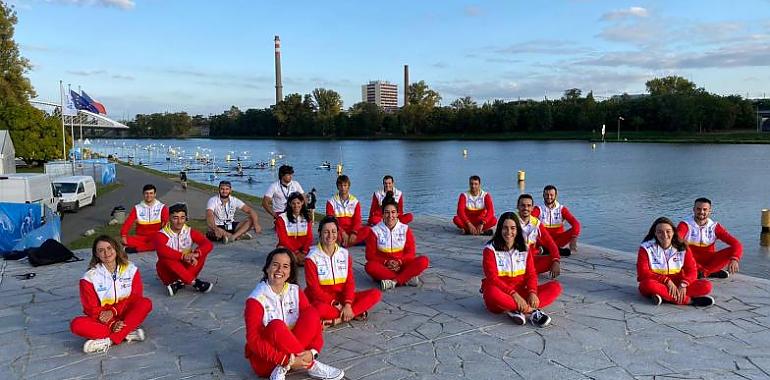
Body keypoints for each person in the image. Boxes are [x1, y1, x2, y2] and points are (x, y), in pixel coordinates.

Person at [244, 248, 344, 380]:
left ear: (290, 272)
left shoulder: (295, 291)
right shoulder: (255, 300)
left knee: (312, 313)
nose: (280, 270)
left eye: (285, 266)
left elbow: (315, 326)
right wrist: (285, 360)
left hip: (294, 351)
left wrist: (313, 351)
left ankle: (302, 362)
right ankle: (311, 366)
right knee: (276, 326)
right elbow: (254, 341)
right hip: (266, 361)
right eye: (275, 265)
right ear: (267, 268)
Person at [70, 235, 153, 353]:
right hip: (103, 321)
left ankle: (110, 340)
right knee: (76, 325)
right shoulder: (89, 278)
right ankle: (127, 333)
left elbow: (135, 297)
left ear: (116, 249)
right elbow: (91, 309)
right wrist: (112, 323)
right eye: (101, 250)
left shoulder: (131, 269)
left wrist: (114, 311)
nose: (106, 253)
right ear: (96, 254)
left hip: (126, 315)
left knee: (145, 303)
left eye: (109, 248)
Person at [481, 212, 561, 327]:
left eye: (512, 228)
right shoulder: (490, 250)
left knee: (555, 287)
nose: (509, 232)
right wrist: (514, 295)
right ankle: (532, 311)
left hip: (520, 292)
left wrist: (532, 292)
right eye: (505, 228)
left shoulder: (524, 248)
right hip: (501, 292)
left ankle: (515, 309)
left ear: (517, 230)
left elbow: (531, 274)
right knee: (491, 292)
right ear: (499, 229)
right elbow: (492, 278)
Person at [305, 216, 381, 327]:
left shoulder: (344, 254)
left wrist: (348, 304)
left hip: (342, 299)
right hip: (323, 301)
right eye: (326, 232)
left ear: (338, 233)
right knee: (317, 309)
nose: (330, 236)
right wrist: (336, 304)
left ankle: (337, 320)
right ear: (320, 233)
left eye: (333, 231)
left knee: (375, 294)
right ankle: (353, 313)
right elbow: (314, 290)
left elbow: (349, 283)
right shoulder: (311, 258)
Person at [637, 217, 715, 307]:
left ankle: (664, 297)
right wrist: (666, 281)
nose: (665, 235)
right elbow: (643, 273)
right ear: (655, 233)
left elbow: (692, 270)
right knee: (647, 285)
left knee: (706, 286)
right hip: (656, 282)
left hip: (678, 283)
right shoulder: (645, 248)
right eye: (660, 232)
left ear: (673, 232)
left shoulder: (682, 247)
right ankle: (689, 301)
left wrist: (684, 284)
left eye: (668, 231)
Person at [365, 193, 430, 291]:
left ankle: (394, 282)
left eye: (393, 212)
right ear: (382, 214)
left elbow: (410, 253)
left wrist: (399, 262)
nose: (390, 216)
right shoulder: (375, 230)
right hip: (384, 266)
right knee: (369, 266)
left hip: (402, 264)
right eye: (387, 212)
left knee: (424, 261)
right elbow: (370, 255)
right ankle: (406, 278)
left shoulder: (405, 229)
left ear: (397, 214)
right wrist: (386, 262)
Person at [155, 204, 215, 296]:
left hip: (187, 269)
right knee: (165, 257)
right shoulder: (161, 234)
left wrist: (195, 254)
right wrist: (183, 256)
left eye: (182, 218)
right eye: (175, 218)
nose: (179, 222)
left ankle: (179, 283)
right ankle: (195, 283)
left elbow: (208, 244)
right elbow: (162, 250)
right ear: (169, 218)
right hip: (169, 273)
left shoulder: (189, 231)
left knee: (202, 253)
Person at [677, 198, 743, 279]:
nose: (701, 212)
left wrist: (735, 259)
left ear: (710, 211)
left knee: (732, 250)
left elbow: (736, 244)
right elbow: (676, 241)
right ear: (693, 209)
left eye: (705, 209)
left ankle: (704, 273)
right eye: (698, 209)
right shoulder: (685, 225)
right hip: (691, 261)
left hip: (709, 262)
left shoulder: (714, 227)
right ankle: (708, 272)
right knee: (677, 248)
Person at [516, 194, 561, 278]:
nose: (526, 208)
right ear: (517, 207)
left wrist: (556, 260)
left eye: (529, 205)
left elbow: (550, 242)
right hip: (514, 260)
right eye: (522, 205)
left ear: (532, 208)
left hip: (530, 260)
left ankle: (526, 273)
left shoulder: (536, 223)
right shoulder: (510, 220)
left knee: (553, 260)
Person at [532, 185, 581, 255]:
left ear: (556, 195)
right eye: (547, 195)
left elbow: (576, 223)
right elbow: (528, 220)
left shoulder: (561, 209)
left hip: (559, 240)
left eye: (551, 195)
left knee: (575, 228)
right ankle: (557, 251)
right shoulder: (538, 209)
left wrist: (574, 238)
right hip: (544, 240)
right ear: (543, 195)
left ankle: (546, 250)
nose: (549, 197)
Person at [120, 184, 169, 253]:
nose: (149, 196)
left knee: (162, 241)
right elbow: (128, 222)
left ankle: (136, 249)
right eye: (146, 193)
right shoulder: (137, 208)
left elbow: (166, 224)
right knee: (126, 240)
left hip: (156, 236)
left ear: (155, 194)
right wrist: (123, 235)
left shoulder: (162, 207)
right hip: (141, 237)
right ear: (143, 194)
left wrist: (164, 236)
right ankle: (149, 246)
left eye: (151, 193)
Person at [326, 175, 368, 247]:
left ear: (348, 186)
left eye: (345, 185)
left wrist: (354, 233)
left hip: (351, 231)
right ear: (337, 186)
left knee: (368, 230)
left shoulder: (355, 201)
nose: (343, 188)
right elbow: (331, 221)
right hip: (338, 230)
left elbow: (358, 220)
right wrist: (342, 232)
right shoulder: (331, 202)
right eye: (340, 185)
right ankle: (350, 243)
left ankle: (346, 242)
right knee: (333, 234)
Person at [275, 192, 313, 264]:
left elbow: (309, 237)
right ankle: (296, 260)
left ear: (302, 203)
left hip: (303, 250)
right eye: (293, 203)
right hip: (288, 248)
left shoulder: (306, 217)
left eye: (298, 203)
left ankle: (299, 260)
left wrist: (304, 252)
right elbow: (283, 239)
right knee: (282, 252)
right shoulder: (282, 218)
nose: (296, 206)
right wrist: (296, 252)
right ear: (289, 204)